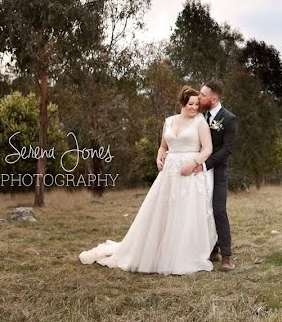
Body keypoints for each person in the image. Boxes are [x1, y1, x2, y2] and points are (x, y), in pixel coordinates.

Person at [78, 86, 217, 274]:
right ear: (181, 103)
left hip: (190, 174)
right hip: (169, 174)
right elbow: (163, 146)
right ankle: (156, 250)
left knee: (183, 213)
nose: (194, 107)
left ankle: (180, 255)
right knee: (163, 212)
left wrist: (193, 163)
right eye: (190, 104)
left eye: (196, 104)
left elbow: (207, 149)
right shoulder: (168, 121)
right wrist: (159, 157)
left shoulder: (200, 122)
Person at [180, 79, 239, 272]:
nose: (199, 96)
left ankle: (227, 256)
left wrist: (205, 164)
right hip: (199, 174)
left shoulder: (229, 119)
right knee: (201, 210)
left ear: (213, 99)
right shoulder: (200, 117)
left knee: (219, 211)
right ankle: (211, 250)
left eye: (203, 95)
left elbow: (227, 150)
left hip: (217, 172)